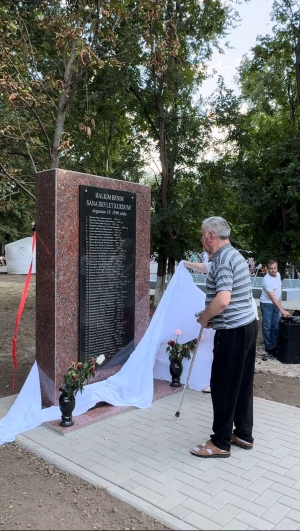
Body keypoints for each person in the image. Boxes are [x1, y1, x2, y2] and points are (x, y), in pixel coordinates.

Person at [190, 216, 258, 459]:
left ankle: (220, 442)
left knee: (223, 385)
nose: (201, 239)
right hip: (248, 326)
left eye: (202, 234)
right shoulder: (234, 255)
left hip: (233, 332)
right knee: (241, 383)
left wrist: (204, 317)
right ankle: (243, 434)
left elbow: (222, 300)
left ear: (210, 236)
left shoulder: (221, 259)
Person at [260, 260, 291, 357]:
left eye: (275, 268)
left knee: (275, 326)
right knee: (267, 326)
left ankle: (274, 344)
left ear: (277, 268)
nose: (273, 270)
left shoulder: (278, 275)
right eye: (271, 269)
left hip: (275, 304)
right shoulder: (266, 280)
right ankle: (269, 347)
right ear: (267, 269)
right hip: (267, 304)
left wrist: (279, 307)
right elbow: (272, 298)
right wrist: (282, 309)